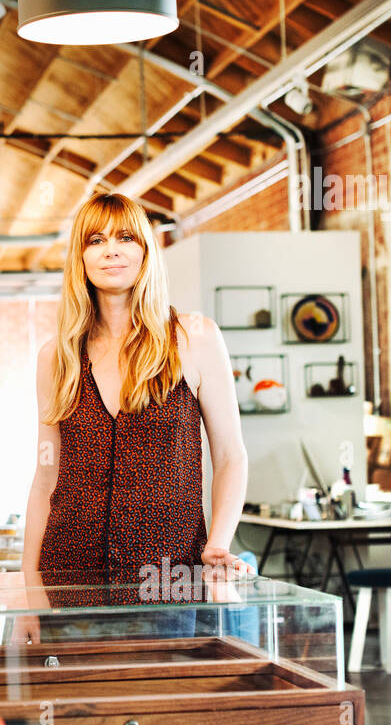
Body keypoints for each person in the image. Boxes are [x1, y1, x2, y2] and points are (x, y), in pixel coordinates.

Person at [15, 192, 251, 645]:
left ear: (145, 250)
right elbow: (46, 481)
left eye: (126, 237)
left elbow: (230, 457)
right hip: (70, 579)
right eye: (96, 239)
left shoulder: (193, 338)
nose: (112, 250)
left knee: (161, 709)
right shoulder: (57, 357)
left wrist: (217, 544)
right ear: (80, 258)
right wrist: (30, 588)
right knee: (78, 712)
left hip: (167, 579)